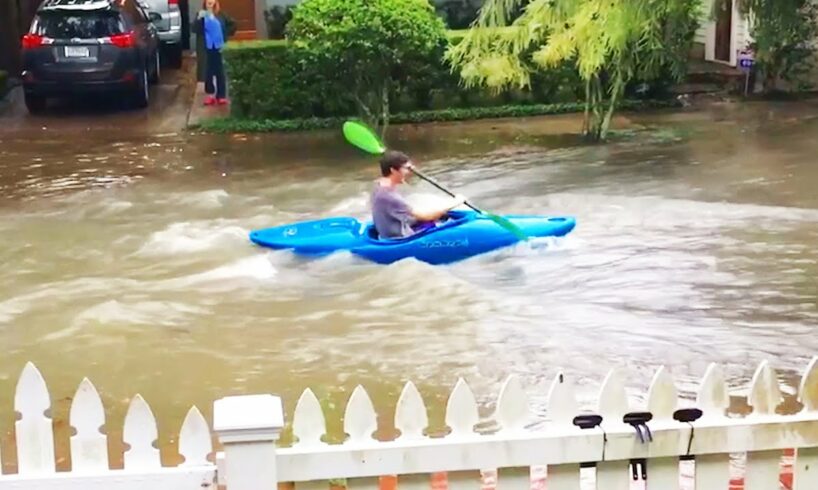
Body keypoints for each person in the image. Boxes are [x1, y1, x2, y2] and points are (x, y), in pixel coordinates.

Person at [371, 151, 466, 239]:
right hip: (400, 237)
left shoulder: (379, 186)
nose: (409, 172)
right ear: (393, 170)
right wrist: (455, 203)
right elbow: (427, 216)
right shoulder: (390, 197)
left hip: (392, 230)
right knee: (444, 222)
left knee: (440, 216)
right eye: (407, 168)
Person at [192, 0, 235, 106]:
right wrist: (199, 19)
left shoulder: (221, 14)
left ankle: (221, 96)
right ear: (205, 3)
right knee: (208, 71)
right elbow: (194, 29)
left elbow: (232, 25)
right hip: (207, 47)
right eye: (208, 1)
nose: (210, 2)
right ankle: (210, 95)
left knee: (220, 70)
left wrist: (226, 34)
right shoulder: (201, 14)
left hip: (219, 46)